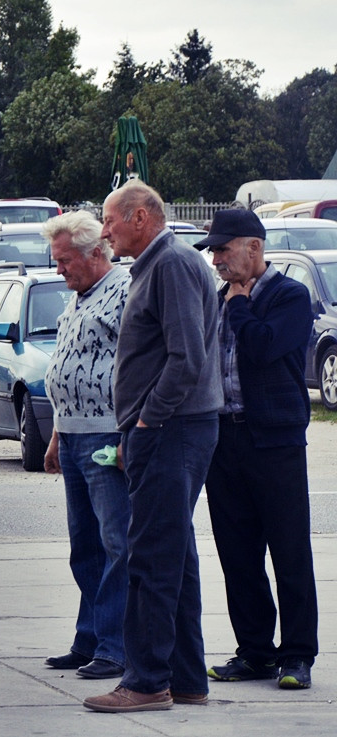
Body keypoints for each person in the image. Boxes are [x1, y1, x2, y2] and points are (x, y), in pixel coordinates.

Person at [84, 181, 222, 712]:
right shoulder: (158, 265)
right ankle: (186, 677)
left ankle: (145, 683)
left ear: (141, 217)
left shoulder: (171, 265)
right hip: (168, 430)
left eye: (111, 221)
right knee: (175, 556)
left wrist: (145, 423)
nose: (105, 231)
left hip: (171, 431)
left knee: (152, 558)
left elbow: (185, 358)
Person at [195, 210, 318, 690]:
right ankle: (254, 652)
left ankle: (297, 656)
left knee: (289, 552)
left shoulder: (290, 295)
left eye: (225, 250)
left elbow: (265, 346)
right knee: (237, 554)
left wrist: (240, 304)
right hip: (225, 440)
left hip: (276, 441)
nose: (219, 260)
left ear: (254, 247)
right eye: (215, 252)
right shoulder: (216, 296)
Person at [40, 211, 131, 681]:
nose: (59, 270)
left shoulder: (123, 291)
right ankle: (91, 638)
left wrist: (127, 435)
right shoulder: (79, 297)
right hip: (74, 432)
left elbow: (136, 365)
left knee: (117, 543)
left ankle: (117, 647)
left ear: (96, 252)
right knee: (86, 546)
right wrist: (57, 433)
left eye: (64, 260)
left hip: (106, 433)